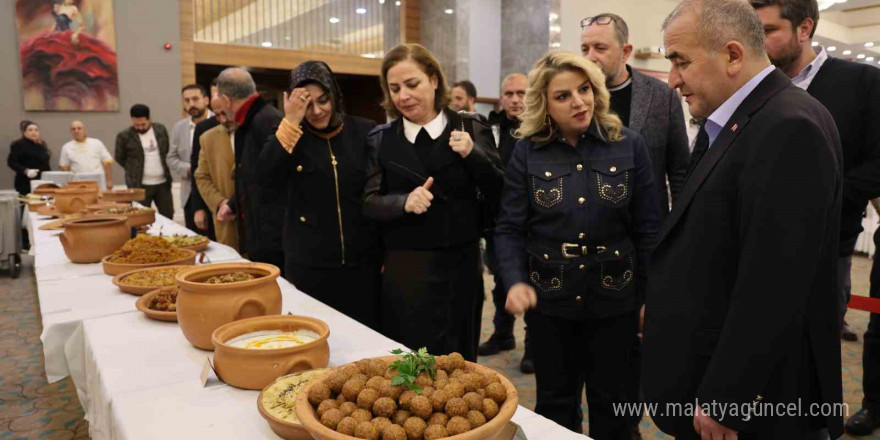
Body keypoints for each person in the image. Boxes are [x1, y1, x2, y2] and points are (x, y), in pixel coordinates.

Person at [643, 1, 843, 439]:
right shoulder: (743, 120)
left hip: (756, 405)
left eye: (681, 61)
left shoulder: (787, 126)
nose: (673, 79)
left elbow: (774, 283)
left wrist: (725, 395)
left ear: (733, 55)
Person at [495, 51, 659, 437]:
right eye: (564, 95)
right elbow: (509, 228)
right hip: (550, 303)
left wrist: (653, 295)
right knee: (555, 405)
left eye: (584, 89)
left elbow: (650, 230)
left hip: (616, 300)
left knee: (617, 407)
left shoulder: (630, 145)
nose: (579, 102)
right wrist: (515, 279)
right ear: (545, 105)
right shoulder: (527, 151)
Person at [749, 0, 880, 433]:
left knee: (813, 358)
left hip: (829, 250)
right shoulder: (751, 84)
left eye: (768, 31)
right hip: (754, 250)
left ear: (805, 27)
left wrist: (821, 197)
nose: (759, 43)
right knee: (758, 355)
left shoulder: (862, 82)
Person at [363, 44, 504, 361]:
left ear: (434, 80)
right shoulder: (380, 138)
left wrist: (473, 155)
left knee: (459, 364)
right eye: (395, 88)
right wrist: (402, 203)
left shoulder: (471, 126)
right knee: (409, 364)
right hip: (406, 269)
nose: (403, 96)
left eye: (412, 85)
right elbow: (368, 203)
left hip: (462, 266)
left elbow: (502, 192)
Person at [258, 61, 383, 329]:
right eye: (306, 104)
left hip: (362, 264)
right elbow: (264, 179)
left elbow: (379, 192)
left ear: (334, 95)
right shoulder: (289, 135)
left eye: (323, 100)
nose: (316, 111)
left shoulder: (364, 130)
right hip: (309, 265)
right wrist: (291, 119)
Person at [581, 12, 689, 218]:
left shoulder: (661, 96)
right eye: (585, 49)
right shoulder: (577, 99)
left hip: (648, 224)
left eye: (600, 48)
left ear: (625, 51)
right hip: (592, 227)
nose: (590, 57)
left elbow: (679, 172)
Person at [480, 72, 534, 374]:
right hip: (498, 220)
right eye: (509, 94)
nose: (515, 100)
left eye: (521, 93)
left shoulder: (540, 130)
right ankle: (503, 335)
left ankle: (533, 347)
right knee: (501, 283)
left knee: (528, 283)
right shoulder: (491, 128)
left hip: (532, 223)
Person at [214, 68, 285, 270]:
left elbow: (274, 177)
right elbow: (252, 175)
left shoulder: (266, 121)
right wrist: (234, 204)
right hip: (261, 230)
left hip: (274, 237)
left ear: (226, 100)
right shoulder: (252, 120)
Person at [195, 87, 239, 250]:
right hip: (225, 219)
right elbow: (202, 176)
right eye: (216, 115)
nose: (221, 120)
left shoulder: (253, 132)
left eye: (224, 113)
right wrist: (220, 202)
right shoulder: (208, 138)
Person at [168, 84, 213, 235]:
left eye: (195, 99)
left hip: (214, 191)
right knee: (194, 239)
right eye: (187, 100)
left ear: (206, 100)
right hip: (189, 194)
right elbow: (171, 157)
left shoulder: (219, 121)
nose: (191, 104)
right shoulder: (179, 127)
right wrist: (189, 168)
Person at [115, 104, 174, 218]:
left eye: (143, 124)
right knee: (140, 219)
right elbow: (119, 157)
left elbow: (166, 150)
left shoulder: (160, 130)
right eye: (136, 125)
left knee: (168, 216)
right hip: (138, 186)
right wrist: (133, 169)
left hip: (162, 184)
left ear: (150, 119)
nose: (140, 128)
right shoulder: (124, 136)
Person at [190, 78, 222, 241]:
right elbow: (198, 171)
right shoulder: (203, 128)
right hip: (212, 200)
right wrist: (198, 208)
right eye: (215, 93)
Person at [59, 120, 114, 190]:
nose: (76, 131)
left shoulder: (97, 143)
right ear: (71, 132)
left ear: (85, 130)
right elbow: (64, 169)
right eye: (73, 129)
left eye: (79, 128)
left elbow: (107, 163)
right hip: (77, 184)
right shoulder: (66, 147)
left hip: (97, 182)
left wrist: (109, 180)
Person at [8, 121, 51, 195]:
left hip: (41, 182)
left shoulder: (41, 145)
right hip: (25, 182)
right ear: (24, 133)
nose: (33, 132)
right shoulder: (18, 144)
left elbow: (46, 164)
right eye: (30, 130)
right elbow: (12, 162)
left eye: (36, 130)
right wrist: (26, 171)